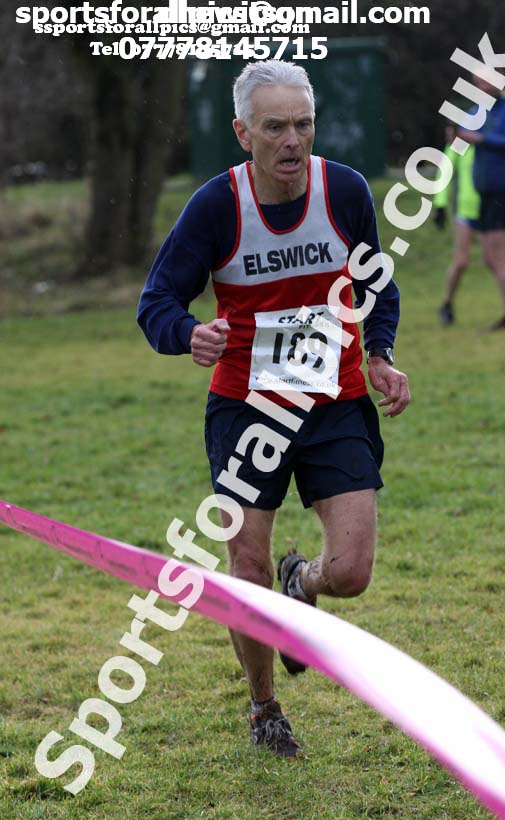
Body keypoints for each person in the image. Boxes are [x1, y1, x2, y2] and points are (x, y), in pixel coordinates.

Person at [137, 60, 410, 760]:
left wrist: (380, 354)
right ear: (243, 133)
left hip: (335, 402)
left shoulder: (343, 191)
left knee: (350, 573)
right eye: (275, 127)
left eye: (303, 125)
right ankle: (264, 707)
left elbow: (376, 285)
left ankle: (304, 581)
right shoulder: (216, 206)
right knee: (246, 565)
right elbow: (156, 301)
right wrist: (186, 333)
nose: (292, 140)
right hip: (247, 410)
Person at [435, 126, 505, 327]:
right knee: (461, 261)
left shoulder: (490, 145)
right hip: (465, 211)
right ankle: (447, 303)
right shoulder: (461, 145)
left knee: (494, 259)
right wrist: (440, 204)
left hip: (491, 208)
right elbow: (444, 173)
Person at [456, 80, 505, 330]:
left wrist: (480, 138)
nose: (480, 86)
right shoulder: (481, 109)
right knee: (490, 255)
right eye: (477, 82)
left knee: (499, 255)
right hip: (487, 193)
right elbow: (463, 131)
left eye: (484, 82)